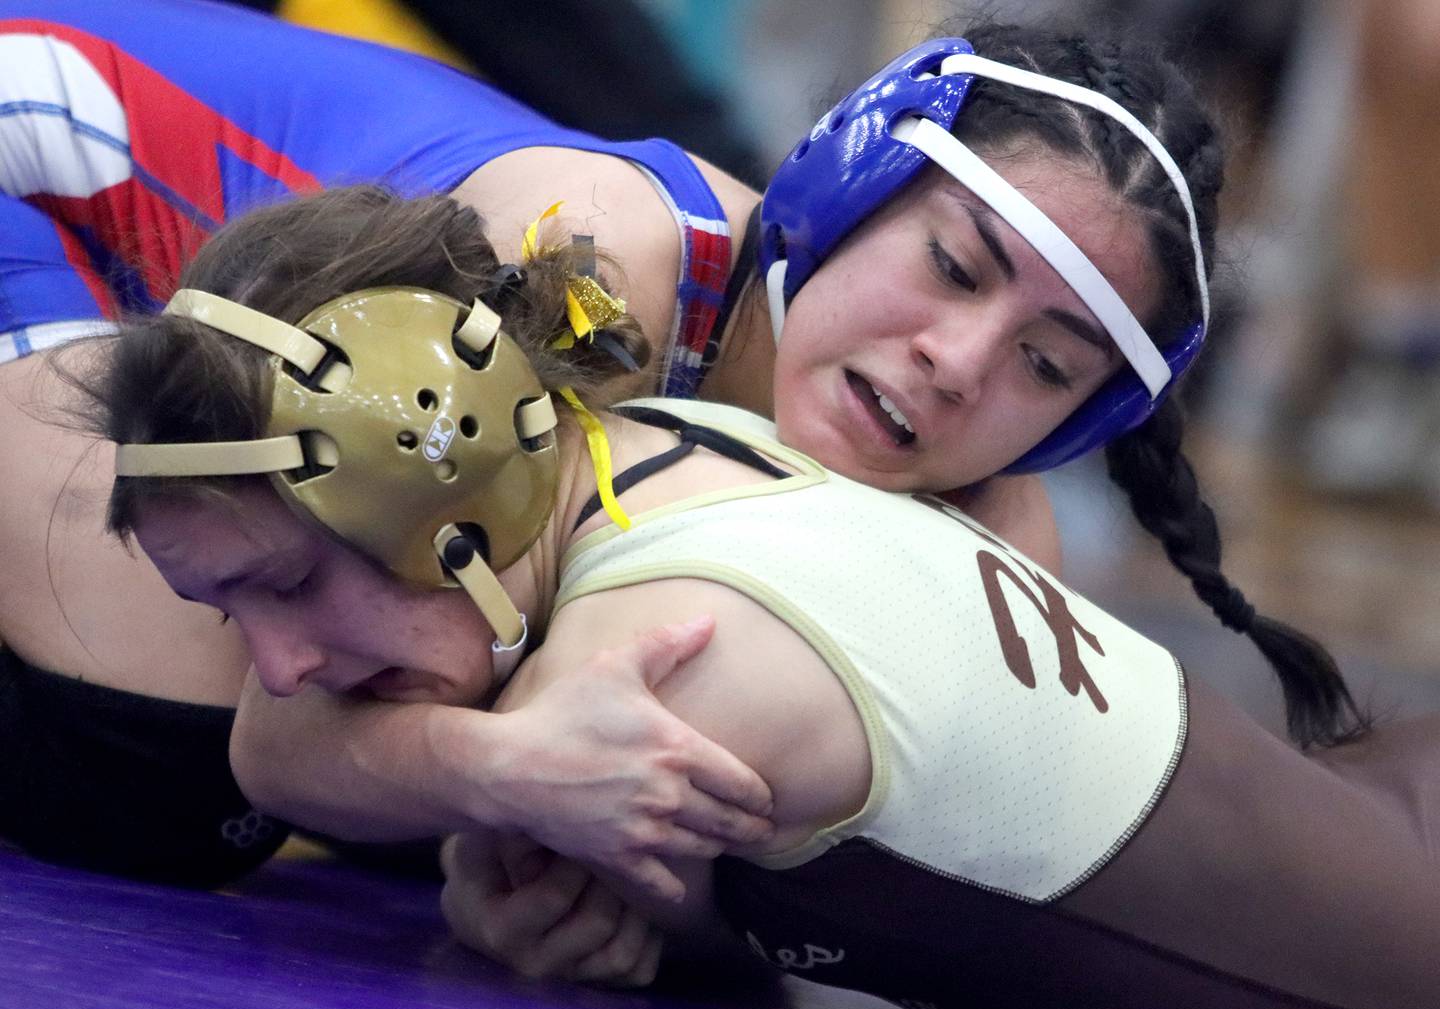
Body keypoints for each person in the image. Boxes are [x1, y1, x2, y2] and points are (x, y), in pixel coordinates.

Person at [3, 4, 1352, 884]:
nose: (960, 361)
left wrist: (614, 903)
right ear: (839, 191)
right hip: (33, 151)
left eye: (1045, 366)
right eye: (948, 266)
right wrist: (500, 773)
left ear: (1084, 420)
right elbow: (279, 726)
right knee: (174, 734)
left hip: (177, 277)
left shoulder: (996, 532)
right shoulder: (596, 277)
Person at [76, 169, 1439, 1009]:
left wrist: (542, 853)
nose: (282, 661)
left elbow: (314, 771)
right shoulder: (669, 435)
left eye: (288, 586)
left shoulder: (660, 667)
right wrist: (492, 772)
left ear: (458, 488)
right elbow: (283, 746)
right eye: (231, 615)